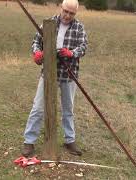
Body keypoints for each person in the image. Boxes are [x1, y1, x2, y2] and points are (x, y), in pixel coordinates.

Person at [22, 0, 88, 157]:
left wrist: (72, 53)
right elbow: (36, 41)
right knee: (38, 107)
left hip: (68, 74)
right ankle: (29, 141)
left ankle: (69, 140)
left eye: (71, 13)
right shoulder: (49, 23)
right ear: (61, 8)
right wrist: (37, 53)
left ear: (75, 13)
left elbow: (83, 46)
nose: (67, 15)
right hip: (48, 73)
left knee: (68, 109)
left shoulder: (79, 27)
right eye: (66, 11)